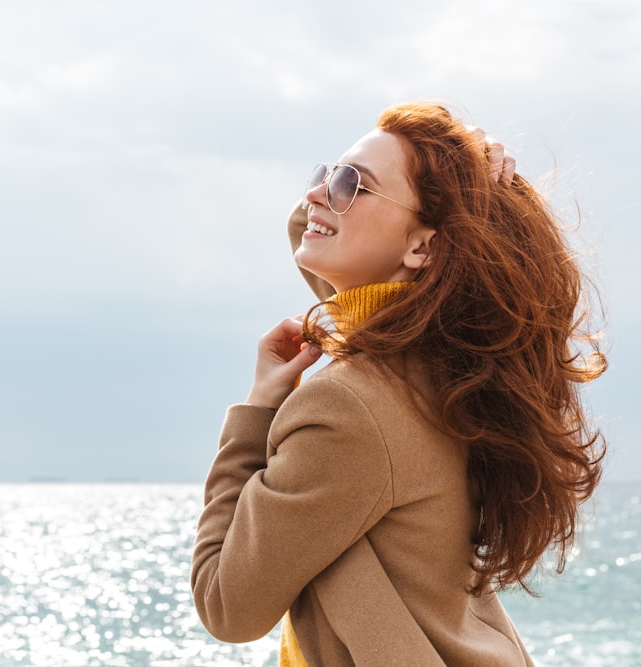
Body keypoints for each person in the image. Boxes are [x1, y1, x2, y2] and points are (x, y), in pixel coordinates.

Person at [191, 102, 606, 665]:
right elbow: (314, 231)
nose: (317, 195)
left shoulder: (348, 405)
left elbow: (225, 605)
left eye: (352, 184)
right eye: (326, 175)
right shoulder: (447, 367)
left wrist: (259, 408)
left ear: (423, 248)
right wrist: (464, 179)